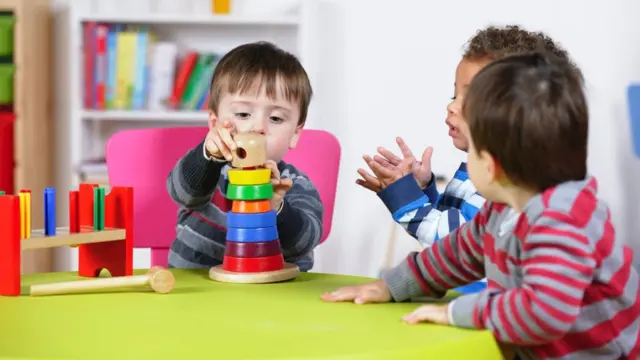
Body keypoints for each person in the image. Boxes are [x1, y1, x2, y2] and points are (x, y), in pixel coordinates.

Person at [322, 52, 640, 359]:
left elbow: (544, 311)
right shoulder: (503, 208)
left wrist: (458, 312)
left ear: (490, 165)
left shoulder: (563, 220)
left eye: (470, 149)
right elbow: (456, 255)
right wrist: (393, 285)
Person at [356, 25, 575, 294]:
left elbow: (454, 245)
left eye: (470, 98)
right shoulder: (479, 173)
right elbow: (457, 229)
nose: (452, 106)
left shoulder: (519, 187)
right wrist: (423, 191)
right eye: (454, 95)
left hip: (490, 308)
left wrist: (405, 199)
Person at [166, 41, 323, 272]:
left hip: (274, 295)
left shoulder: (293, 184)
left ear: (295, 134)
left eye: (276, 118)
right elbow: (183, 195)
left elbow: (303, 243)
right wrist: (208, 154)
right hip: (197, 290)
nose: (258, 127)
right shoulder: (209, 171)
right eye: (242, 113)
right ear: (215, 123)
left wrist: (275, 208)